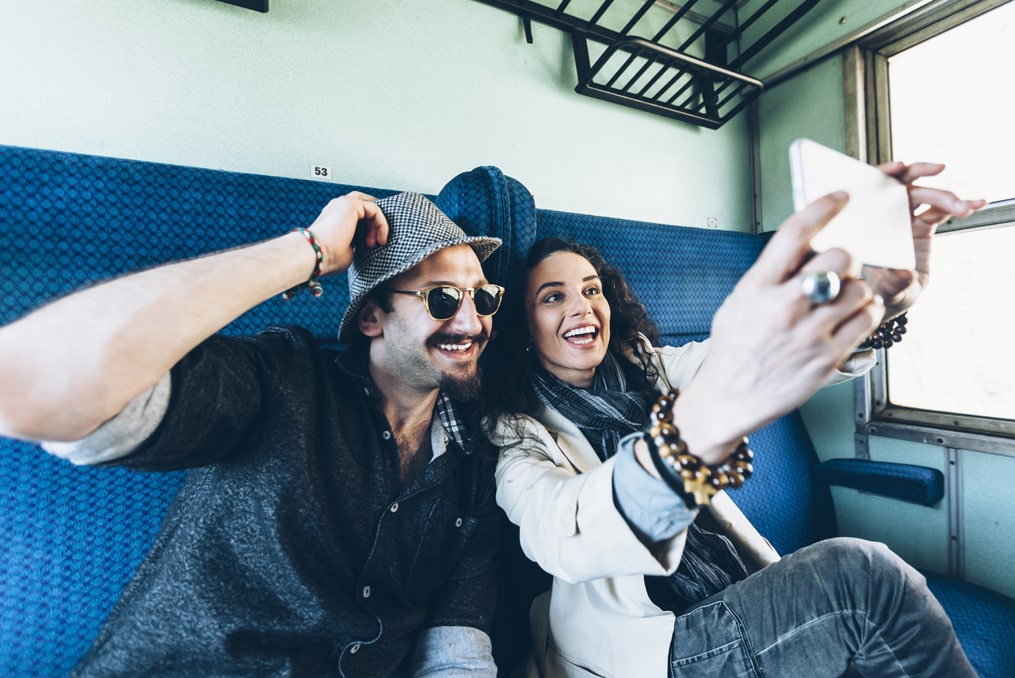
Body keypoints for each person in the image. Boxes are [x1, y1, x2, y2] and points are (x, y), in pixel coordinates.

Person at [483, 162, 985, 677]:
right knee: (863, 579)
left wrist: (874, 302)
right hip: (648, 645)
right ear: (524, 328)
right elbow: (567, 533)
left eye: (592, 290)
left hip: (726, 591)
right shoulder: (518, 439)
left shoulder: (647, 367)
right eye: (553, 298)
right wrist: (688, 444)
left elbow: (747, 357)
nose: (583, 307)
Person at [0, 191, 506, 676]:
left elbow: (455, 649)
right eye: (441, 298)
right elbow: (32, 380)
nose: (472, 320)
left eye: (482, 298)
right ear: (372, 316)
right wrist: (309, 250)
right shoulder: (282, 380)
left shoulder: (477, 459)